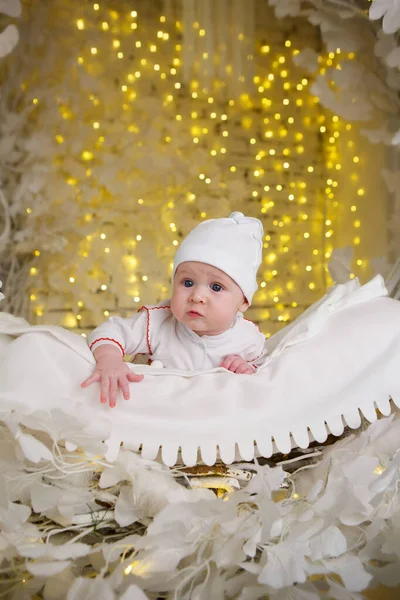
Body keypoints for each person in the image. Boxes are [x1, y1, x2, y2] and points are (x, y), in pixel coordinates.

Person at [81, 211, 266, 407]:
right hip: (156, 412)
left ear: (243, 302)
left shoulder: (248, 338)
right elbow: (111, 331)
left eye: (216, 287)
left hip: (211, 421)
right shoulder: (158, 321)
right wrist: (109, 358)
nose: (197, 296)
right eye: (187, 282)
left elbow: (266, 376)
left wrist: (248, 368)